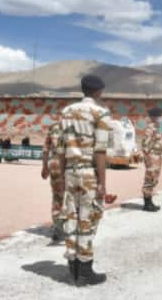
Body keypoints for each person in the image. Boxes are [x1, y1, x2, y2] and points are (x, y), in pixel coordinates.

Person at [58, 75, 112, 284]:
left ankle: (73, 267)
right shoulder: (101, 113)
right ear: (99, 91)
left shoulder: (66, 112)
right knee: (87, 220)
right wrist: (102, 182)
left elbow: (61, 148)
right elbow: (100, 150)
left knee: (71, 217)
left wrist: (62, 176)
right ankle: (86, 270)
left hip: (70, 172)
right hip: (89, 173)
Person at [41, 121, 64, 241]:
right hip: (70, 166)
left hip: (54, 165)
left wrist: (45, 167)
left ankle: (58, 228)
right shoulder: (76, 126)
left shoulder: (53, 127)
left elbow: (45, 149)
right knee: (73, 196)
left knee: (57, 197)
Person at [141, 107, 162, 212]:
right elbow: (145, 145)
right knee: (149, 179)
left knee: (154, 179)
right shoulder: (150, 129)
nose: (161, 118)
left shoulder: (155, 128)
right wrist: (149, 159)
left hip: (157, 157)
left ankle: (150, 202)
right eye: (160, 116)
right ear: (155, 117)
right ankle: (147, 204)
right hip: (152, 158)